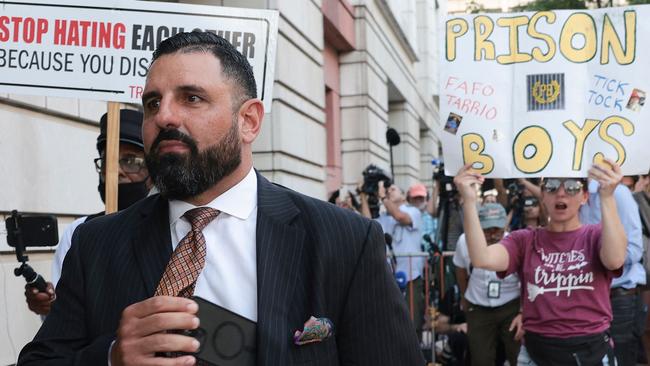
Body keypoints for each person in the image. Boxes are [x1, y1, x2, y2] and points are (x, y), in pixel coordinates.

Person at [18, 31, 424, 366]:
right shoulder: (96, 244)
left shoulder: (345, 241)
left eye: (191, 98)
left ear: (248, 121)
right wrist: (110, 357)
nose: (165, 117)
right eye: (153, 102)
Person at [454, 159, 626, 365]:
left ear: (585, 197)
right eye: (552, 186)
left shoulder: (596, 235)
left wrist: (607, 197)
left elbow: (615, 260)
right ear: (542, 195)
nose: (561, 193)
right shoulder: (524, 240)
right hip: (537, 353)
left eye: (572, 187)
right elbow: (482, 258)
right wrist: (470, 201)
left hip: (592, 351)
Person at [23, 109, 151, 316]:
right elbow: (62, 324)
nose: (116, 171)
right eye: (108, 161)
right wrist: (49, 306)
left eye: (130, 161)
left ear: (152, 170)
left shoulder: (173, 226)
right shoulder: (79, 232)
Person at [580, 172, 645, 366]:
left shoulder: (620, 193)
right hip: (587, 298)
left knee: (622, 358)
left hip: (619, 298)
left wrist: (603, 258)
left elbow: (634, 249)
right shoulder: (569, 197)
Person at [453, 203, 522, 366]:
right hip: (477, 305)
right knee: (481, 358)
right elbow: (460, 269)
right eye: (487, 229)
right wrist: (464, 297)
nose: (492, 235)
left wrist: (522, 310)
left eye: (497, 229)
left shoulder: (515, 242)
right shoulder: (464, 241)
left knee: (517, 355)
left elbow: (525, 278)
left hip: (510, 305)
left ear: (505, 225)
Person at [374, 181, 425, 340]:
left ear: (403, 196)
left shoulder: (413, 211)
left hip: (411, 275)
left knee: (412, 319)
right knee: (391, 320)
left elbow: (400, 217)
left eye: (393, 189)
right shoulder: (385, 216)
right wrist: (363, 197)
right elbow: (367, 221)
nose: (389, 192)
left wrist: (383, 197)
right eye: (387, 190)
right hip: (390, 276)